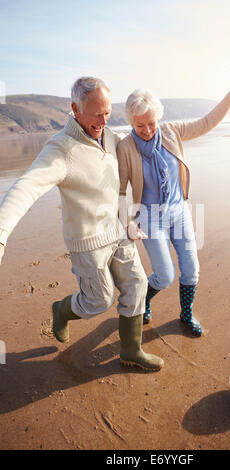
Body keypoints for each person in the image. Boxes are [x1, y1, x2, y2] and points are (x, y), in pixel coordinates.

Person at [0, 76, 164, 372]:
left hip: (118, 232)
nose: (103, 121)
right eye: (95, 114)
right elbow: (26, 187)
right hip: (88, 241)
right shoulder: (61, 149)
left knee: (137, 284)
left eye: (107, 113)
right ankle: (61, 310)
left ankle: (130, 350)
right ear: (75, 109)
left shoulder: (111, 137)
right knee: (99, 301)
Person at [117, 65, 230, 336]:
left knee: (191, 269)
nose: (147, 130)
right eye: (140, 125)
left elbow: (206, 122)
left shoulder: (171, 132)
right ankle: (145, 300)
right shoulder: (125, 148)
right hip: (149, 217)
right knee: (164, 276)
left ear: (158, 117)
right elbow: (119, 191)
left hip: (179, 212)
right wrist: (127, 223)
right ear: (131, 122)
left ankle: (186, 314)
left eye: (151, 123)